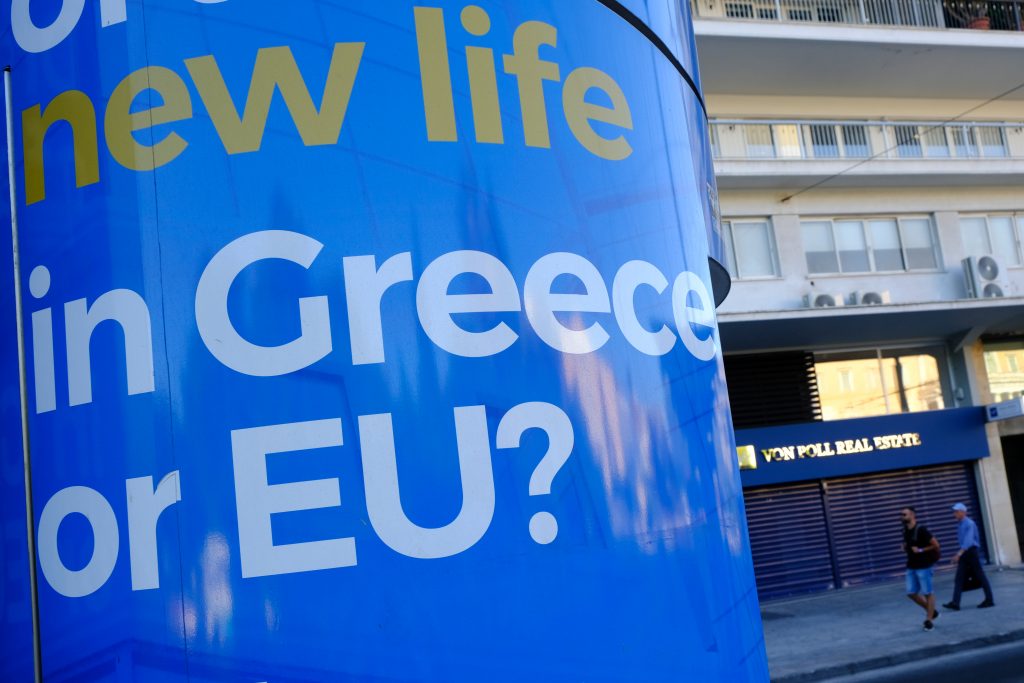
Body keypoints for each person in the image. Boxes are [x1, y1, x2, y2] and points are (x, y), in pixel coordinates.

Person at [942, 502, 995, 610]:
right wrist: (960, 554)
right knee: (959, 578)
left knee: (980, 576)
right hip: (965, 553)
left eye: (956, 512)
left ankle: (989, 600)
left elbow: (968, 541)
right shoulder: (960, 524)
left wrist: (958, 554)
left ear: (963, 512)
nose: (954, 514)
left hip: (971, 552)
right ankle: (955, 603)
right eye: (954, 512)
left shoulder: (969, 523)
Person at [901, 506, 940, 631]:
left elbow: (936, 545)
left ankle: (929, 620)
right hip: (911, 566)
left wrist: (921, 550)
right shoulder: (905, 530)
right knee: (911, 593)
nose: (902, 517)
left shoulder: (921, 529)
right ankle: (932, 611)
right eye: (901, 514)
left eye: (904, 514)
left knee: (928, 592)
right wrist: (905, 547)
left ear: (912, 515)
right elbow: (909, 545)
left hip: (924, 566)